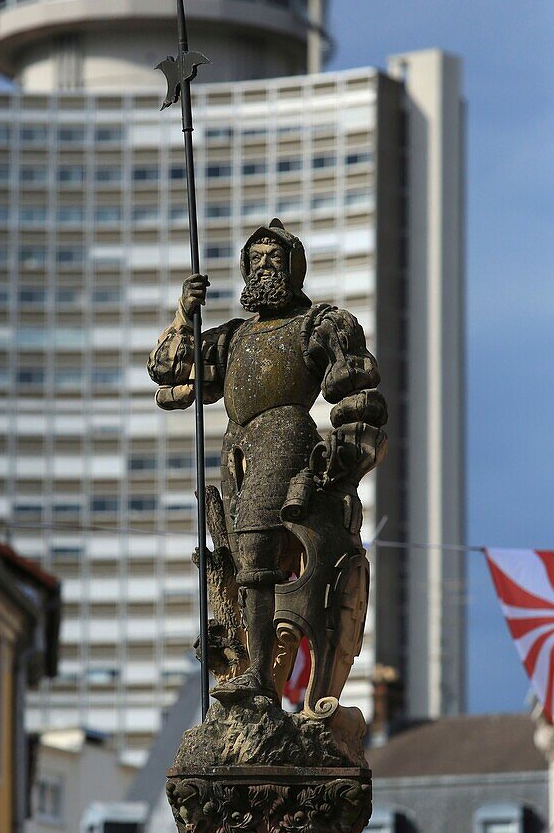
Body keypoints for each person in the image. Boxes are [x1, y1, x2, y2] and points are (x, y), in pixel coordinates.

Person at [147, 219, 381, 701]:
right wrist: (181, 314)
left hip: (284, 433)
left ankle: (260, 673)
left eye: (274, 258)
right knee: (234, 556)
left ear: (295, 268)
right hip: (237, 446)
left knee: (255, 549)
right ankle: (246, 661)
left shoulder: (316, 323)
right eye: (255, 259)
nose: (264, 266)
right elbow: (166, 371)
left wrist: (340, 458)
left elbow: (356, 392)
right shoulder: (232, 336)